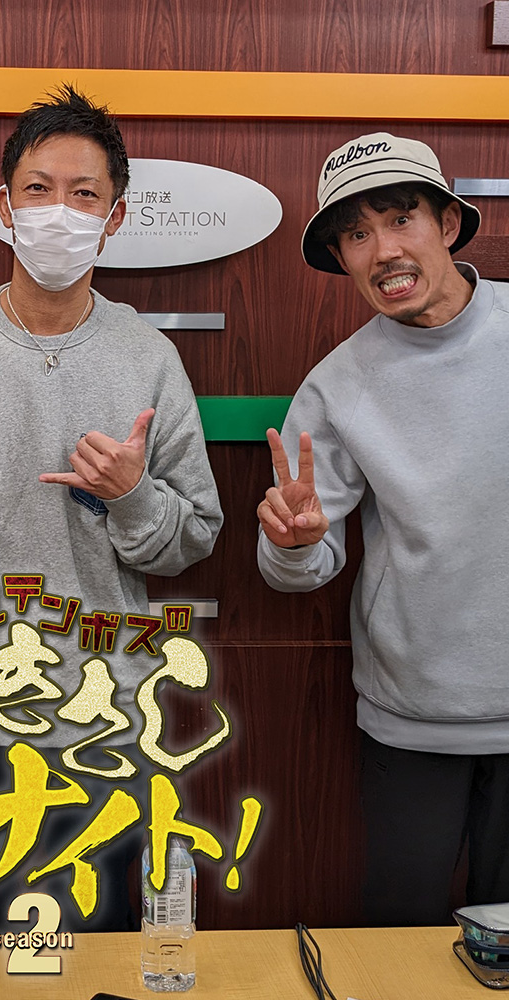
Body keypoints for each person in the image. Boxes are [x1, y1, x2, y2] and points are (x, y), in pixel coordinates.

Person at [0, 85, 222, 999]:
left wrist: (131, 498)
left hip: (108, 724)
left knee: (95, 965)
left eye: (85, 194)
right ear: (6, 206)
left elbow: (191, 538)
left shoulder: (148, 357)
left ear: (115, 216)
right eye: (39, 189)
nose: (60, 211)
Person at [256, 132, 509, 925]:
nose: (384, 251)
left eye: (401, 219)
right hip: (411, 719)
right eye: (357, 235)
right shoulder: (335, 386)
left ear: (448, 224)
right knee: (398, 943)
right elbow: (302, 561)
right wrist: (294, 543)